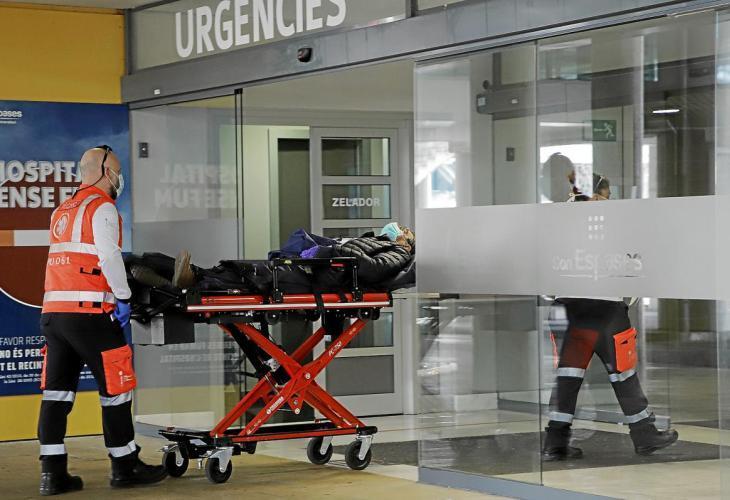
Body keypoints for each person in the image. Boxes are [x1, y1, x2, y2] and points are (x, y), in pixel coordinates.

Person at [38, 146, 167, 495]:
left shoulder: (62, 210)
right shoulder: (101, 207)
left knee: (57, 394)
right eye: (118, 172)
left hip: (54, 316)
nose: (119, 179)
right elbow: (108, 256)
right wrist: (123, 297)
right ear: (105, 171)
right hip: (90, 314)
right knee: (116, 390)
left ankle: (52, 473)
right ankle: (125, 466)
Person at [543, 171, 678, 460]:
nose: (609, 201)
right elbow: (634, 265)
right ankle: (644, 434)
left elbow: (544, 265)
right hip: (605, 309)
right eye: (606, 195)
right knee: (623, 373)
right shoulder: (612, 224)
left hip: (567, 308)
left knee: (567, 377)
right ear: (595, 195)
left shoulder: (558, 223)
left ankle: (555, 443)